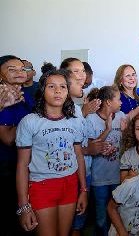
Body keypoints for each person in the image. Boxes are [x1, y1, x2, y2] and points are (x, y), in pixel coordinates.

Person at [16, 69, 87, 235]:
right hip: (42, 186)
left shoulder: (74, 122)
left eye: (63, 87)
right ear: (42, 90)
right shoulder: (30, 122)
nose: (58, 91)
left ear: (68, 92)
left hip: (69, 185)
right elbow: (22, 165)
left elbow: (78, 156)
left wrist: (84, 190)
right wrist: (24, 206)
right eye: (51, 86)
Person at [0, 55, 34, 235]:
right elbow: (8, 139)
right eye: (11, 69)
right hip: (7, 166)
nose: (19, 72)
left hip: (27, 163)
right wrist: (31, 122)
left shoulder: (25, 95)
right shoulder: (3, 95)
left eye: (22, 68)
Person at [85, 85, 126, 236]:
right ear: (108, 102)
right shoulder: (91, 119)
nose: (121, 102)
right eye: (118, 99)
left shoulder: (121, 115)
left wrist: (125, 132)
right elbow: (90, 147)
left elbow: (127, 145)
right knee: (101, 217)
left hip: (118, 176)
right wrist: (107, 129)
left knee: (118, 214)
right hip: (99, 178)